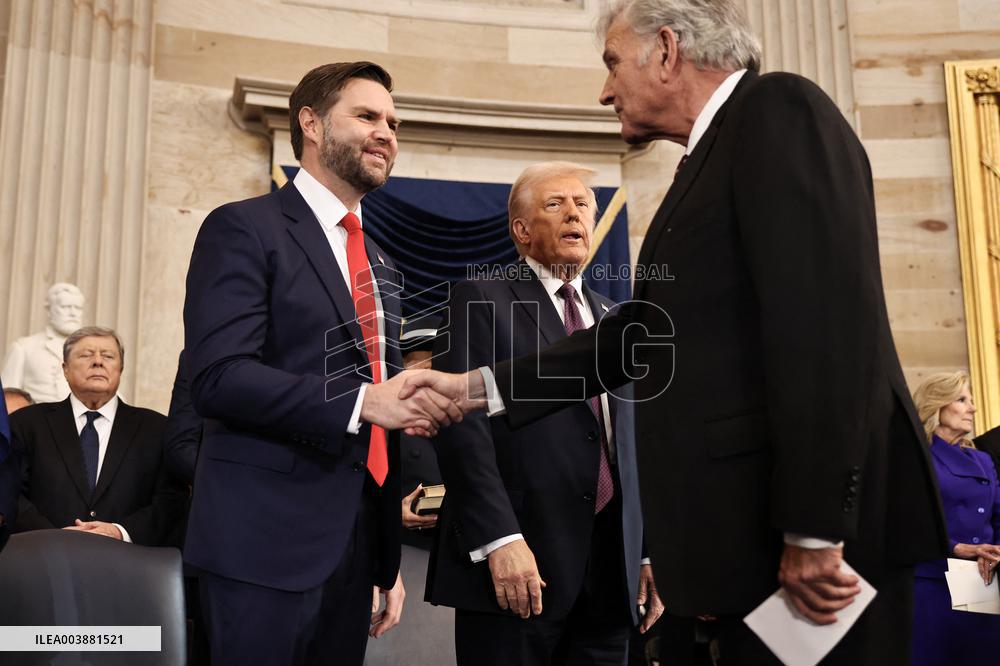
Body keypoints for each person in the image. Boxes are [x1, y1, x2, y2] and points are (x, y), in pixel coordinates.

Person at [402, 1, 948, 662]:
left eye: (612, 63)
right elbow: (641, 333)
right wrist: (474, 390)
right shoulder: (709, 160)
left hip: (818, 552)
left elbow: (828, 328)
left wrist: (814, 529)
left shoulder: (780, 112)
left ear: (665, 51)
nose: (605, 90)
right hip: (753, 547)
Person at [182, 61, 461, 666]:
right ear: (310, 123)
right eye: (366, 116)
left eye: (393, 121)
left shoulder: (384, 264)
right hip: (260, 550)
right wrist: (365, 401)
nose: (387, 131)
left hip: (356, 553)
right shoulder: (244, 228)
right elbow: (218, 376)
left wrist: (384, 559)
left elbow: (383, 423)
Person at [425, 161, 661, 665]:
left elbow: (638, 444)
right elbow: (460, 429)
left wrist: (646, 548)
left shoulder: (618, 321)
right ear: (522, 230)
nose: (574, 214)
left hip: (610, 571)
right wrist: (500, 540)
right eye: (556, 204)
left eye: (583, 206)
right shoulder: (478, 301)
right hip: (519, 567)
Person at [10, 326, 187, 545]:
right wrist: (54, 538)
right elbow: (9, 492)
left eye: (108, 356)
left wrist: (120, 532)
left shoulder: (157, 428)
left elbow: (172, 499)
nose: (97, 362)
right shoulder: (26, 423)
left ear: (120, 369)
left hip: (130, 565)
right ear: (65, 369)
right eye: (86, 355)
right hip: (42, 561)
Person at [910, 371, 1000, 665]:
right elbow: (910, 518)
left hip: (979, 579)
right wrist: (957, 547)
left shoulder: (982, 460)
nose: (972, 408)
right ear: (937, 406)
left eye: (972, 400)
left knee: (980, 656)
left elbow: (997, 515)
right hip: (931, 578)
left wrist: (997, 548)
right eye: (962, 400)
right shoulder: (917, 457)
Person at [2, 283, 85, 403]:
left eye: (77, 308)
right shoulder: (24, 348)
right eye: (65, 307)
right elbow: (7, 400)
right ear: (49, 310)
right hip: (35, 419)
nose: (72, 313)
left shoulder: (93, 352)